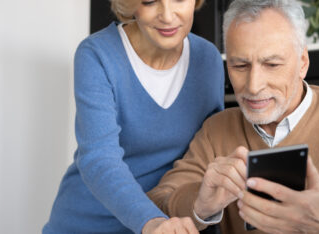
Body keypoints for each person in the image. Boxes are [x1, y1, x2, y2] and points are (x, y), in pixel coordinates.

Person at [146, 0, 319, 233]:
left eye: (272, 64)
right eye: (240, 66)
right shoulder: (216, 130)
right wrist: (200, 203)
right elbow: (155, 204)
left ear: (302, 63)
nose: (253, 86)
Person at [43, 0, 224, 233]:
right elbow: (99, 158)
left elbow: (207, 153)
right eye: (149, 1)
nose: (167, 16)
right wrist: (151, 221)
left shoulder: (208, 59)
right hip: (91, 223)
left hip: (168, 222)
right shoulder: (97, 55)